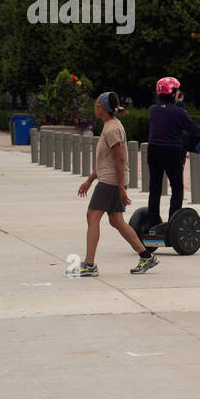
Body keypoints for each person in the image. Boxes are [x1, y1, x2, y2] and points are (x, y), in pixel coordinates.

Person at [76, 92, 159, 276]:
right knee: (116, 220)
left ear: (103, 108)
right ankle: (146, 256)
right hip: (112, 180)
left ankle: (89, 265)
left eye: (97, 104)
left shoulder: (112, 129)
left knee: (92, 216)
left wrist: (121, 187)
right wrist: (90, 180)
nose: (95, 107)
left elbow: (119, 160)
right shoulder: (109, 126)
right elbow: (107, 161)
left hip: (111, 183)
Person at [146, 77, 200, 249]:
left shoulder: (152, 110)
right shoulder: (178, 112)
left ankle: (152, 223)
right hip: (171, 152)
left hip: (153, 151)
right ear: (173, 93)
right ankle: (173, 223)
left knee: (155, 188)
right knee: (177, 188)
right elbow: (193, 129)